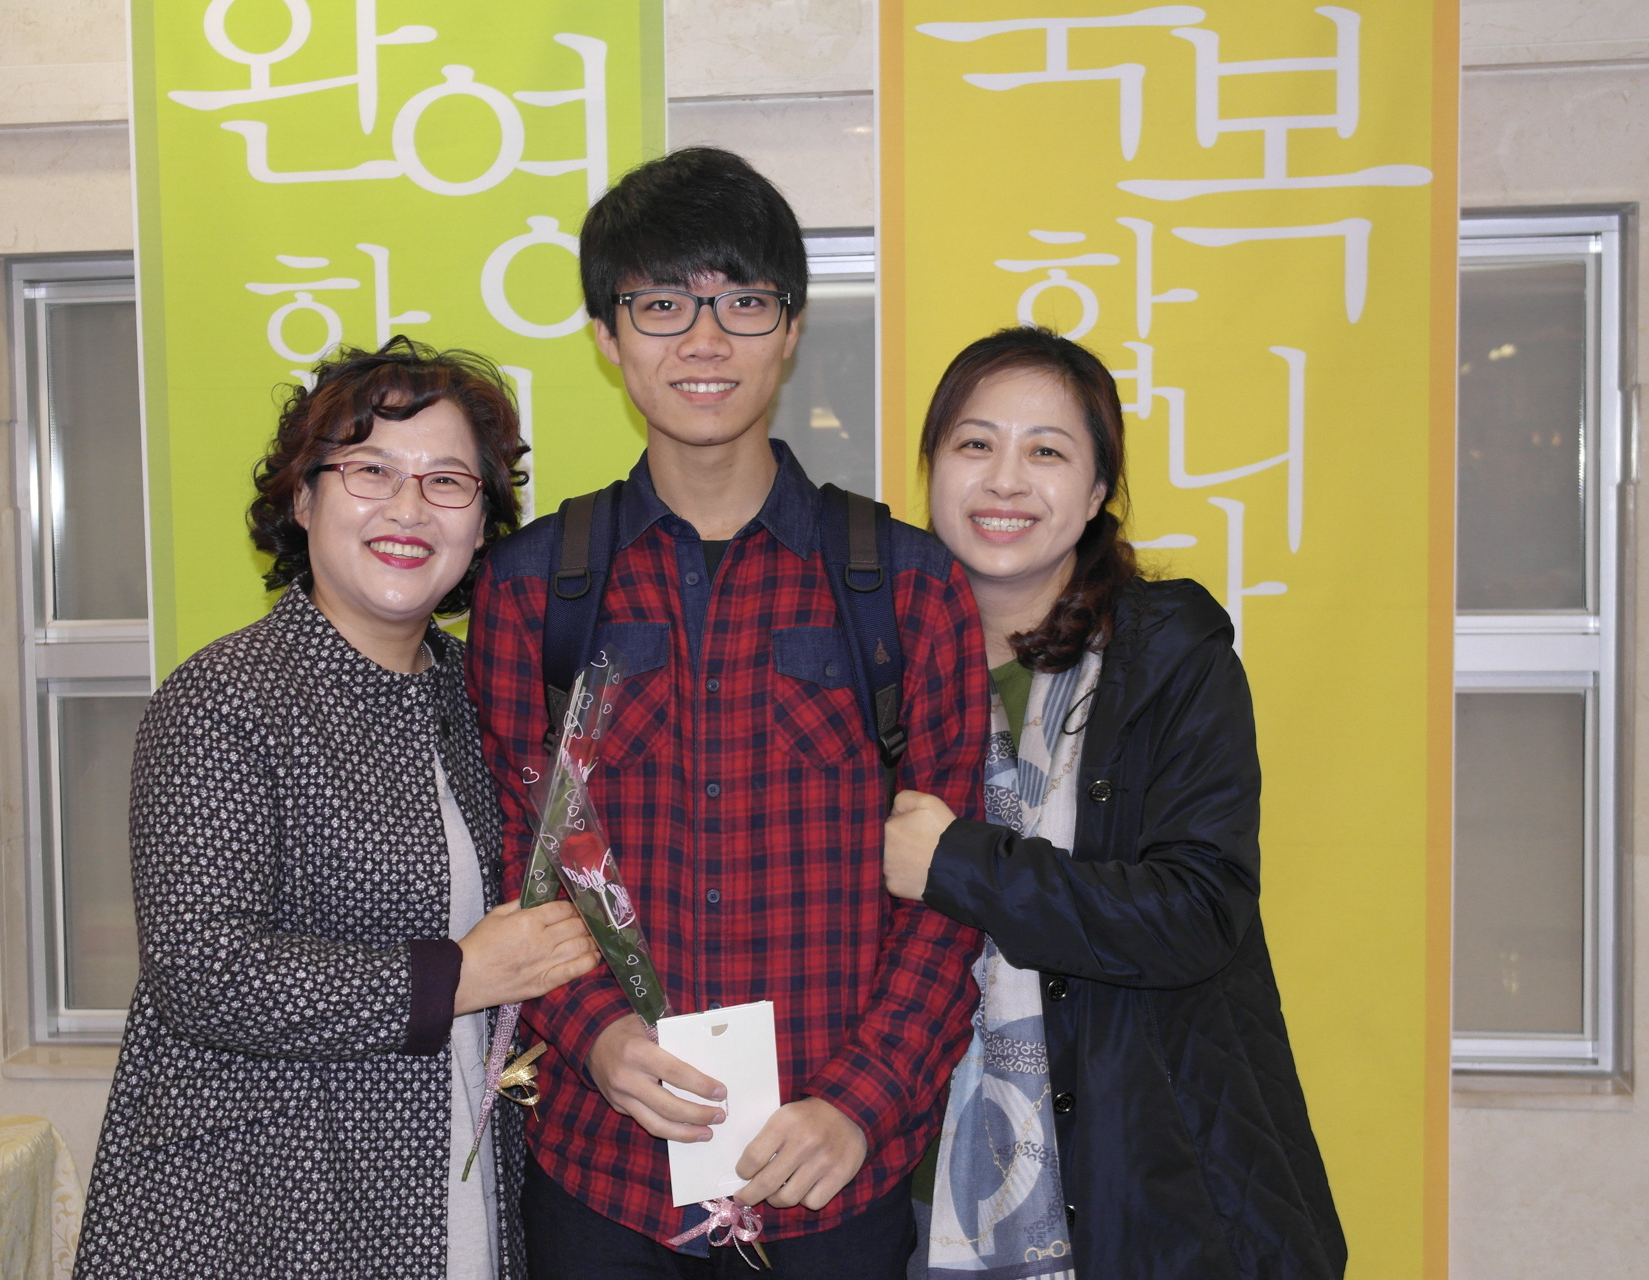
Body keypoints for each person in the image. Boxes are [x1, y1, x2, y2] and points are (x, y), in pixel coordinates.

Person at [466, 146, 991, 1279]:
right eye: (662, 304)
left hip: (830, 1180)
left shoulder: (906, 586)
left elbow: (953, 890)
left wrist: (861, 1102)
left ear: (790, 328)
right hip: (605, 1178)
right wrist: (598, 1035)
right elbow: (522, 854)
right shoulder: (534, 586)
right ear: (607, 335)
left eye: (743, 302)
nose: (704, 340)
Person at [72, 339, 599, 1280]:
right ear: (304, 499)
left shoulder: (474, 695)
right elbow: (203, 969)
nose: (408, 508)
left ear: (483, 525)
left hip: (454, 1180)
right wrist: (458, 977)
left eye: (447, 481)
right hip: (262, 1210)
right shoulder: (226, 699)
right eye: (370, 470)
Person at [883, 327, 1346, 1280]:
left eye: (1047, 452)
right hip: (910, 1171)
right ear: (932, 468)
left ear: (1097, 493)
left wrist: (959, 864)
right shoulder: (869, 663)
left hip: (1146, 1175)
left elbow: (1200, 909)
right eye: (975, 444)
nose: (1005, 481)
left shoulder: (1170, 660)